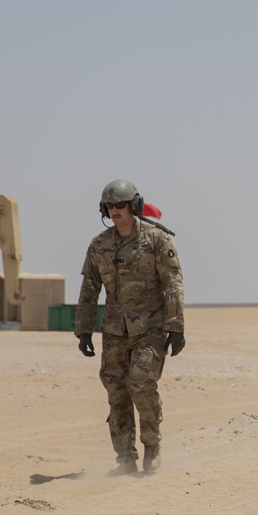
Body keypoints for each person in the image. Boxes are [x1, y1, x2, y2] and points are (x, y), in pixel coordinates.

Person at [75, 179, 185, 475]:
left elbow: (173, 284)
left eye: (120, 205)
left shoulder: (156, 240)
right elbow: (89, 289)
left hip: (149, 328)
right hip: (114, 332)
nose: (115, 211)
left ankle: (152, 446)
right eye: (109, 206)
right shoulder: (99, 245)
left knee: (141, 384)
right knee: (116, 391)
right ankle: (125, 458)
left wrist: (176, 327)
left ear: (134, 206)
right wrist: (83, 330)